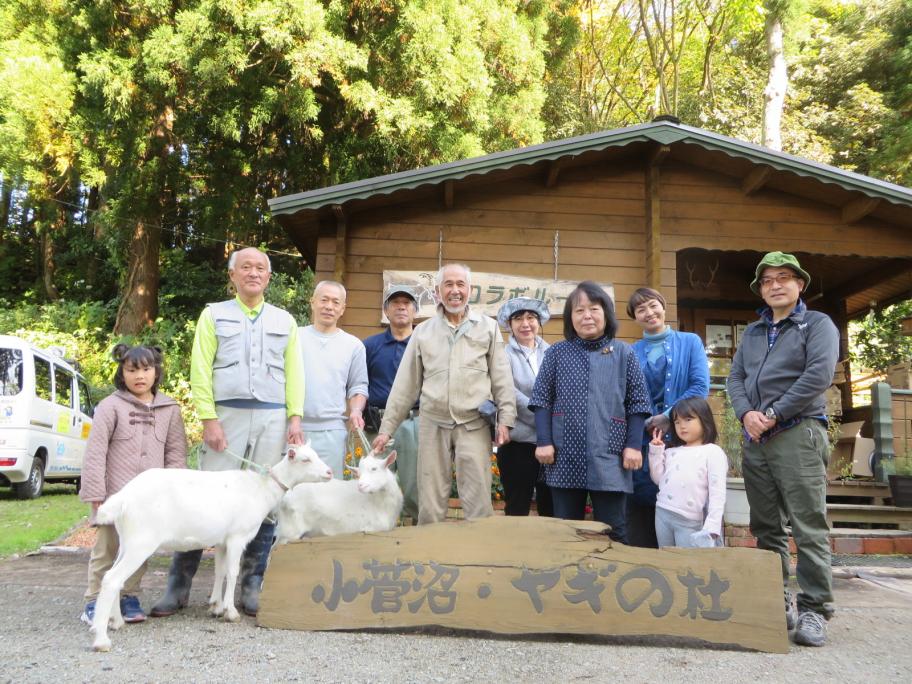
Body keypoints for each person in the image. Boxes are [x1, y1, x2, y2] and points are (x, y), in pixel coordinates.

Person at [151, 247, 305, 618]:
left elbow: (295, 372)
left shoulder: (285, 321)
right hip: (227, 416)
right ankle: (179, 586)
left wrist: (295, 417)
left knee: (267, 503)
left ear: (269, 277)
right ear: (232, 275)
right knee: (205, 499)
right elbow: (200, 368)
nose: (254, 273)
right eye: (246, 267)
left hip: (272, 418)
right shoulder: (213, 315)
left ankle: (252, 585)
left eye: (261, 268)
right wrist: (208, 418)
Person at [727, 251, 838, 647]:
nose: (775, 285)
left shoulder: (817, 324)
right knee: (766, 526)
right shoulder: (754, 333)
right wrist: (746, 415)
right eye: (768, 280)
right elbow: (735, 377)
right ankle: (778, 599)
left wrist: (772, 413)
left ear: (800, 284)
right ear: (761, 288)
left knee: (808, 525)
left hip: (798, 431)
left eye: (784, 278)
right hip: (756, 439)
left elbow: (819, 375)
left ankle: (814, 609)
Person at [372, 263, 516, 524]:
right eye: (448, 285)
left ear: (470, 290)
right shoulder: (423, 332)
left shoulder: (487, 327)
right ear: (438, 292)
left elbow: (501, 377)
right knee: (431, 500)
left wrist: (505, 419)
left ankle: (479, 556)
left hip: (473, 423)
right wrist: (386, 429)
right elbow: (405, 385)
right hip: (433, 422)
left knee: (478, 500)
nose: (455, 290)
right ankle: (430, 558)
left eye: (460, 284)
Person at [530, 281, 652, 543]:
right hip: (563, 454)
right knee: (565, 531)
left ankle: (616, 580)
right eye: (579, 310)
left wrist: (633, 446)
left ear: (606, 313)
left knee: (614, 529)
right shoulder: (556, 353)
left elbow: (638, 404)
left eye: (593, 309)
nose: (587, 316)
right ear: (570, 318)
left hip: (611, 454)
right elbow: (541, 400)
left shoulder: (624, 353)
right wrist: (544, 441)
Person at [80, 344, 187, 625]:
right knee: (107, 549)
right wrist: (95, 493)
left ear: (156, 371)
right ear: (122, 373)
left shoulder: (169, 409)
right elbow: (95, 452)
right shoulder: (110, 407)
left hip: (150, 501)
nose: (140, 376)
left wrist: (174, 494)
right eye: (132, 370)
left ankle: (129, 596)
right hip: (113, 494)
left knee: (139, 548)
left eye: (146, 369)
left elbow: (176, 454)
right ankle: (94, 600)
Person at [627, 287, 709, 547]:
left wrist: (667, 416)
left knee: (682, 505)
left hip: (682, 440)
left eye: (653, 305)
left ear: (663, 306)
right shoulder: (630, 352)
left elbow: (699, 386)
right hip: (642, 441)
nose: (649, 313)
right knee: (642, 502)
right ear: (635, 317)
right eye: (641, 310)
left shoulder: (690, 342)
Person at [298, 280, 368, 479]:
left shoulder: (354, 345)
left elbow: (358, 386)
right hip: (295, 428)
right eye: (324, 300)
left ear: (343, 308)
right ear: (312, 302)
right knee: (291, 494)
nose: (329, 306)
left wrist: (356, 410)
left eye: (335, 302)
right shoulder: (294, 337)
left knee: (328, 492)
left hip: (333, 430)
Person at [363, 284, 421, 520]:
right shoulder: (369, 346)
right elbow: (358, 385)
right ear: (386, 310)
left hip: (413, 423)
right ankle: (375, 535)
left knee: (414, 485)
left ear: (415, 310)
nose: (401, 307)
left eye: (406, 303)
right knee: (373, 485)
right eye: (395, 303)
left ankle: (414, 539)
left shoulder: (423, 344)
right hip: (377, 424)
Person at [495, 297, 553, 517]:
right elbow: (508, 392)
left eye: (531, 317)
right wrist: (542, 416)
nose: (525, 324)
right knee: (517, 507)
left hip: (551, 443)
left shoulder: (552, 353)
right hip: (518, 443)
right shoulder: (502, 355)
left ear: (539, 322)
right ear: (509, 324)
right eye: (518, 319)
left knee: (551, 508)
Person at [647, 397, 727, 548]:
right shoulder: (670, 451)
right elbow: (658, 479)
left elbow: (717, 494)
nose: (682, 426)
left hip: (689, 520)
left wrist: (712, 526)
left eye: (688, 419)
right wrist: (656, 452)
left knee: (689, 566)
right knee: (666, 561)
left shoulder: (713, 452)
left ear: (705, 419)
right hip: (662, 513)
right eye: (677, 422)